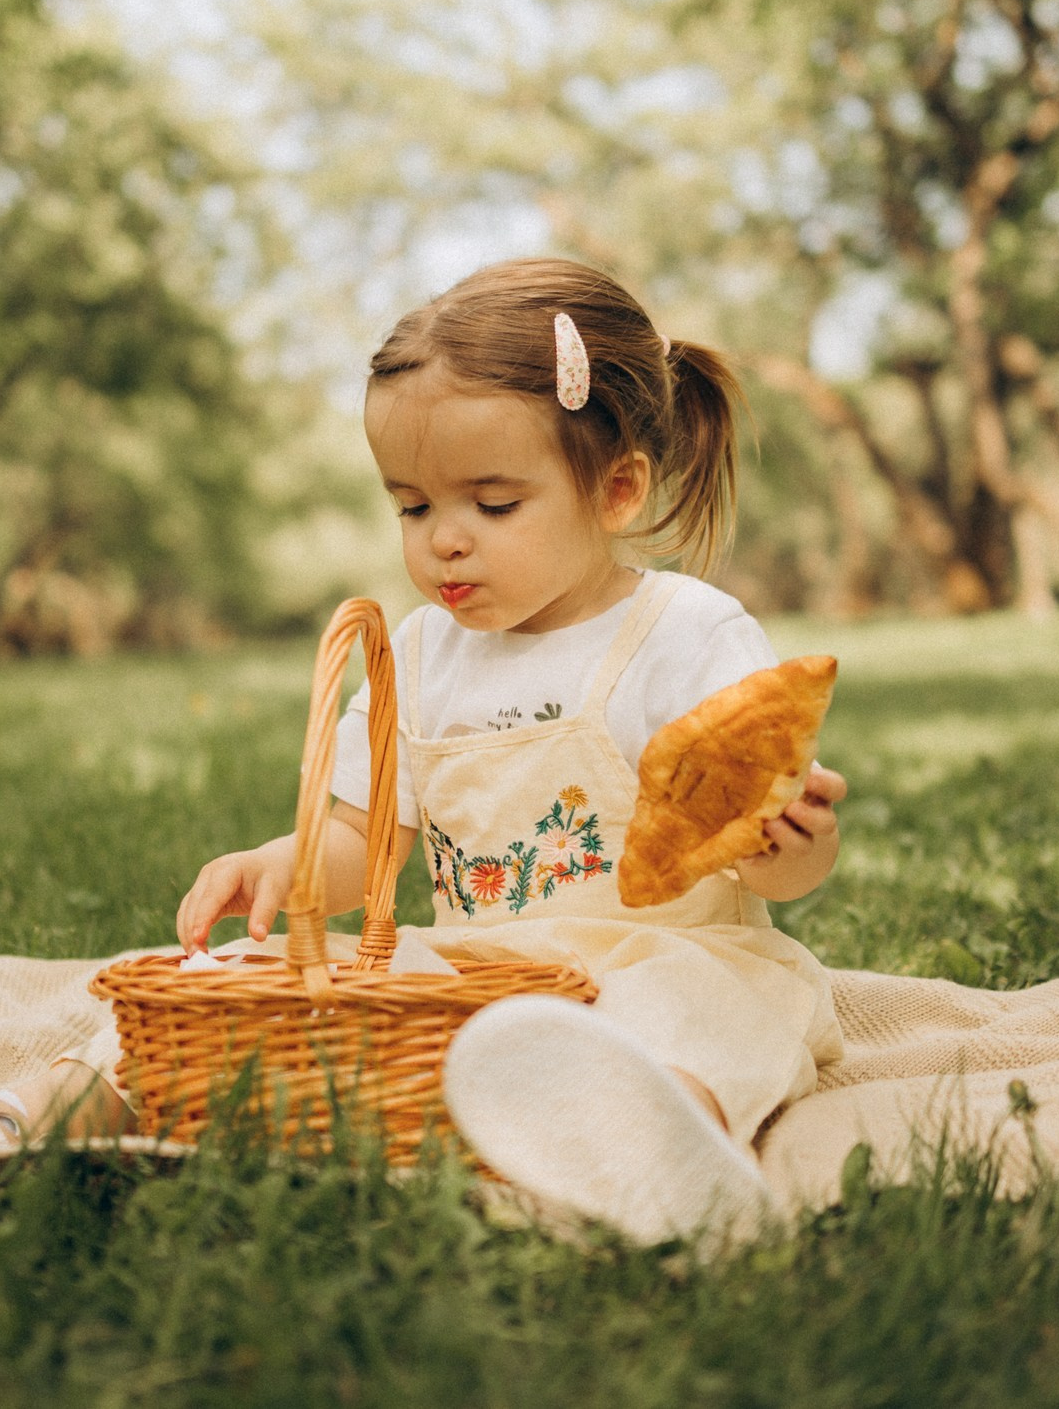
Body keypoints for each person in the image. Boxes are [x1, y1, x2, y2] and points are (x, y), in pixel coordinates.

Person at [172, 258, 848, 1244]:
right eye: (412, 506)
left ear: (616, 491)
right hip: (480, 969)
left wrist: (786, 843)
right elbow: (369, 837)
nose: (444, 541)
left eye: (491, 506)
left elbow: (786, 863)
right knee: (244, 993)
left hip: (668, 958)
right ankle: (59, 1107)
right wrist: (281, 863)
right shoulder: (417, 653)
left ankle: (668, 1153)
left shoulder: (686, 637)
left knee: (704, 1018)